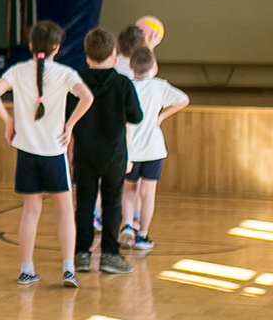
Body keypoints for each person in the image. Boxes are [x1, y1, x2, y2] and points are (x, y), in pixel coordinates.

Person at [0, 21, 92, 288]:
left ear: (31, 46)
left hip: (27, 152)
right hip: (54, 151)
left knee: (30, 211)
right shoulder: (65, 73)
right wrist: (70, 125)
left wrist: (8, 121)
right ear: (57, 47)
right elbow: (87, 98)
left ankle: (26, 269)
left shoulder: (18, 71)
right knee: (65, 210)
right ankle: (68, 269)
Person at [69, 28, 143, 276]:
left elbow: (67, 115)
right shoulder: (122, 83)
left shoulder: (76, 82)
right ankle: (111, 255)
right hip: (114, 156)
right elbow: (136, 116)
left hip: (85, 154)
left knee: (85, 203)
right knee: (112, 203)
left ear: (87, 56)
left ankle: (81, 254)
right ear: (114, 54)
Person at [124, 46, 189, 253]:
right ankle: (142, 235)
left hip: (130, 150)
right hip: (153, 150)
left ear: (130, 65)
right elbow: (184, 99)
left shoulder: (126, 86)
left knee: (129, 190)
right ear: (153, 67)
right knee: (147, 193)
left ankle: (126, 224)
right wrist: (161, 116)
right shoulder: (159, 86)